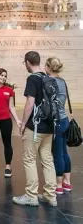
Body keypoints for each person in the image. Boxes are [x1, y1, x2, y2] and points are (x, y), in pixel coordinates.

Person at [13, 51, 57, 207]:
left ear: (27, 62)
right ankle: (51, 195)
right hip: (50, 126)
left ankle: (31, 195)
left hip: (35, 127)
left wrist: (23, 124)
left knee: (29, 160)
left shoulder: (33, 79)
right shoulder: (48, 77)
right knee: (47, 160)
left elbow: (30, 103)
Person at [45, 57, 71, 194]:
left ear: (49, 67)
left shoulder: (50, 82)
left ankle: (59, 184)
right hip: (65, 119)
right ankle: (67, 182)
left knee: (57, 153)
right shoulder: (63, 81)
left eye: (45, 65)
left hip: (56, 121)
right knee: (65, 152)